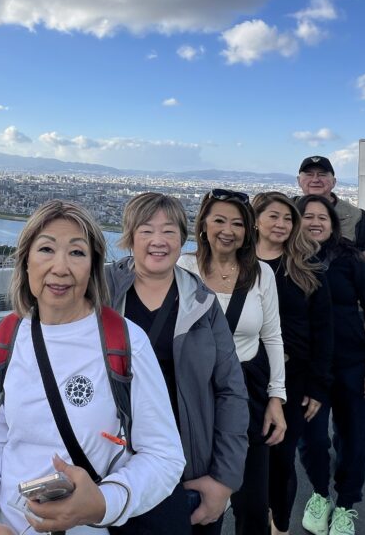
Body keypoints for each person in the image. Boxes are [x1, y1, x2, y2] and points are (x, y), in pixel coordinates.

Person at [0, 200, 185, 535]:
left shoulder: (125, 342)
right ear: (25, 262)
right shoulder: (6, 336)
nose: (60, 267)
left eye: (77, 252)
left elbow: (165, 456)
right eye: (46, 249)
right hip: (8, 525)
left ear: (93, 267)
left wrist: (103, 502)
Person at [106, 192, 250, 534]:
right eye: (146, 230)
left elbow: (231, 390)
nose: (158, 241)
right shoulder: (101, 292)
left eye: (169, 231)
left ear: (182, 237)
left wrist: (223, 480)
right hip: (113, 465)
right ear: (128, 237)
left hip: (189, 469)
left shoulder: (202, 304)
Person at [178, 189, 285, 535]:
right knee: (192, 492)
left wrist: (275, 398)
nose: (228, 230)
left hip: (246, 387)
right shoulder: (183, 268)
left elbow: (272, 337)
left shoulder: (261, 275)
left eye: (238, 223)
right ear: (204, 225)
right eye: (219, 220)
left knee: (252, 499)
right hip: (193, 389)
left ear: (248, 230)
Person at [295, 195, 365, 535]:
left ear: (333, 225)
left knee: (353, 439)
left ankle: (347, 503)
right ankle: (320, 494)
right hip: (307, 370)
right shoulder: (287, 262)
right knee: (313, 439)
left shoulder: (348, 259)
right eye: (308, 216)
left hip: (352, 364)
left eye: (324, 217)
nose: (316, 222)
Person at [251, 192, 333, 535]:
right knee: (248, 456)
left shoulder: (306, 268)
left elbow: (323, 331)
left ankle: (279, 525)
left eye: (287, 218)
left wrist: (318, 386)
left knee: (282, 457)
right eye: (273, 216)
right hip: (246, 374)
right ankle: (252, 518)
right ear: (255, 220)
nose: (281, 224)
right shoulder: (237, 266)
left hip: (294, 375)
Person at [295, 156, 365, 293]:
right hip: (294, 297)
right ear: (299, 181)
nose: (315, 179)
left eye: (322, 175)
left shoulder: (356, 216)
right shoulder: (287, 211)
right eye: (309, 174)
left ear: (334, 182)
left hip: (342, 298)